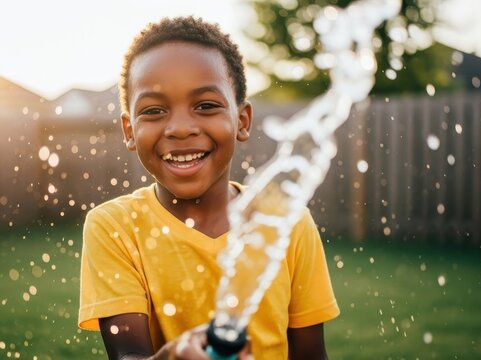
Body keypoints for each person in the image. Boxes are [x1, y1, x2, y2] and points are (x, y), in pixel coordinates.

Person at [78, 16, 340, 359]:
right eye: (154, 110)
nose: (181, 128)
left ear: (242, 121)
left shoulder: (287, 223)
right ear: (129, 130)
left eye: (205, 106)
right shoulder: (114, 227)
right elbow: (128, 355)